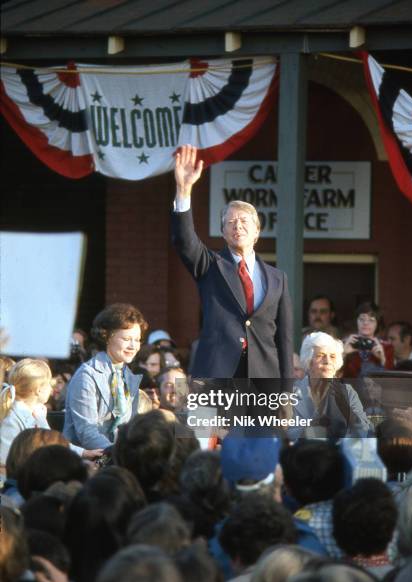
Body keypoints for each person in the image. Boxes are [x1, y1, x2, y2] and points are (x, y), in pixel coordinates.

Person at [172, 144, 293, 379]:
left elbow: (285, 339)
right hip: (217, 375)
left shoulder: (278, 278)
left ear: (257, 231)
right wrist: (183, 190)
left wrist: (285, 395)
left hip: (263, 380)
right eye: (231, 222)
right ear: (223, 232)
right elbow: (184, 240)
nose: (238, 226)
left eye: (244, 222)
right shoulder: (210, 266)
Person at [63, 303, 148, 450]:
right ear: (107, 337)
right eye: (127, 339)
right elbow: (87, 434)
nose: (133, 346)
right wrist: (119, 456)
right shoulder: (87, 375)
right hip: (88, 462)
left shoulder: (128, 376)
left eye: (137, 340)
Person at [0, 359, 99, 469]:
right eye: (48, 384)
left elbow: (53, 442)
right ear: (38, 390)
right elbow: (5, 461)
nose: (51, 387)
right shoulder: (11, 418)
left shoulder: (38, 412)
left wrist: (84, 453)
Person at [292, 332, 370, 439]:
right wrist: (311, 429)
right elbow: (284, 433)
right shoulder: (291, 393)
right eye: (320, 356)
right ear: (308, 362)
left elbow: (362, 431)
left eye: (333, 357)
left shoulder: (348, 393)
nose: (328, 361)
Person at [343, 301, 393, 378]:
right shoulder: (345, 343)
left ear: (378, 323)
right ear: (356, 321)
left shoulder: (386, 347)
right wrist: (343, 354)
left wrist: (382, 359)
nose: (365, 323)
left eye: (371, 320)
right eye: (362, 319)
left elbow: (391, 379)